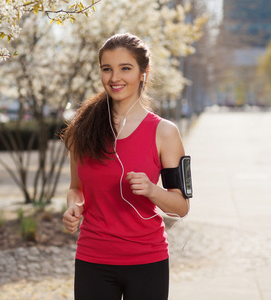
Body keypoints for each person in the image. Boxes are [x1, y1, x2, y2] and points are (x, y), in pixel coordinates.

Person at [62, 33, 190, 300]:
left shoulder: (165, 133)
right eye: (107, 69)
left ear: (143, 73)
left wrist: (152, 191)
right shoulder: (81, 129)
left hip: (148, 262)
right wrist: (74, 206)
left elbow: (181, 208)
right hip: (93, 260)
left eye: (125, 68)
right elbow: (76, 188)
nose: (114, 77)